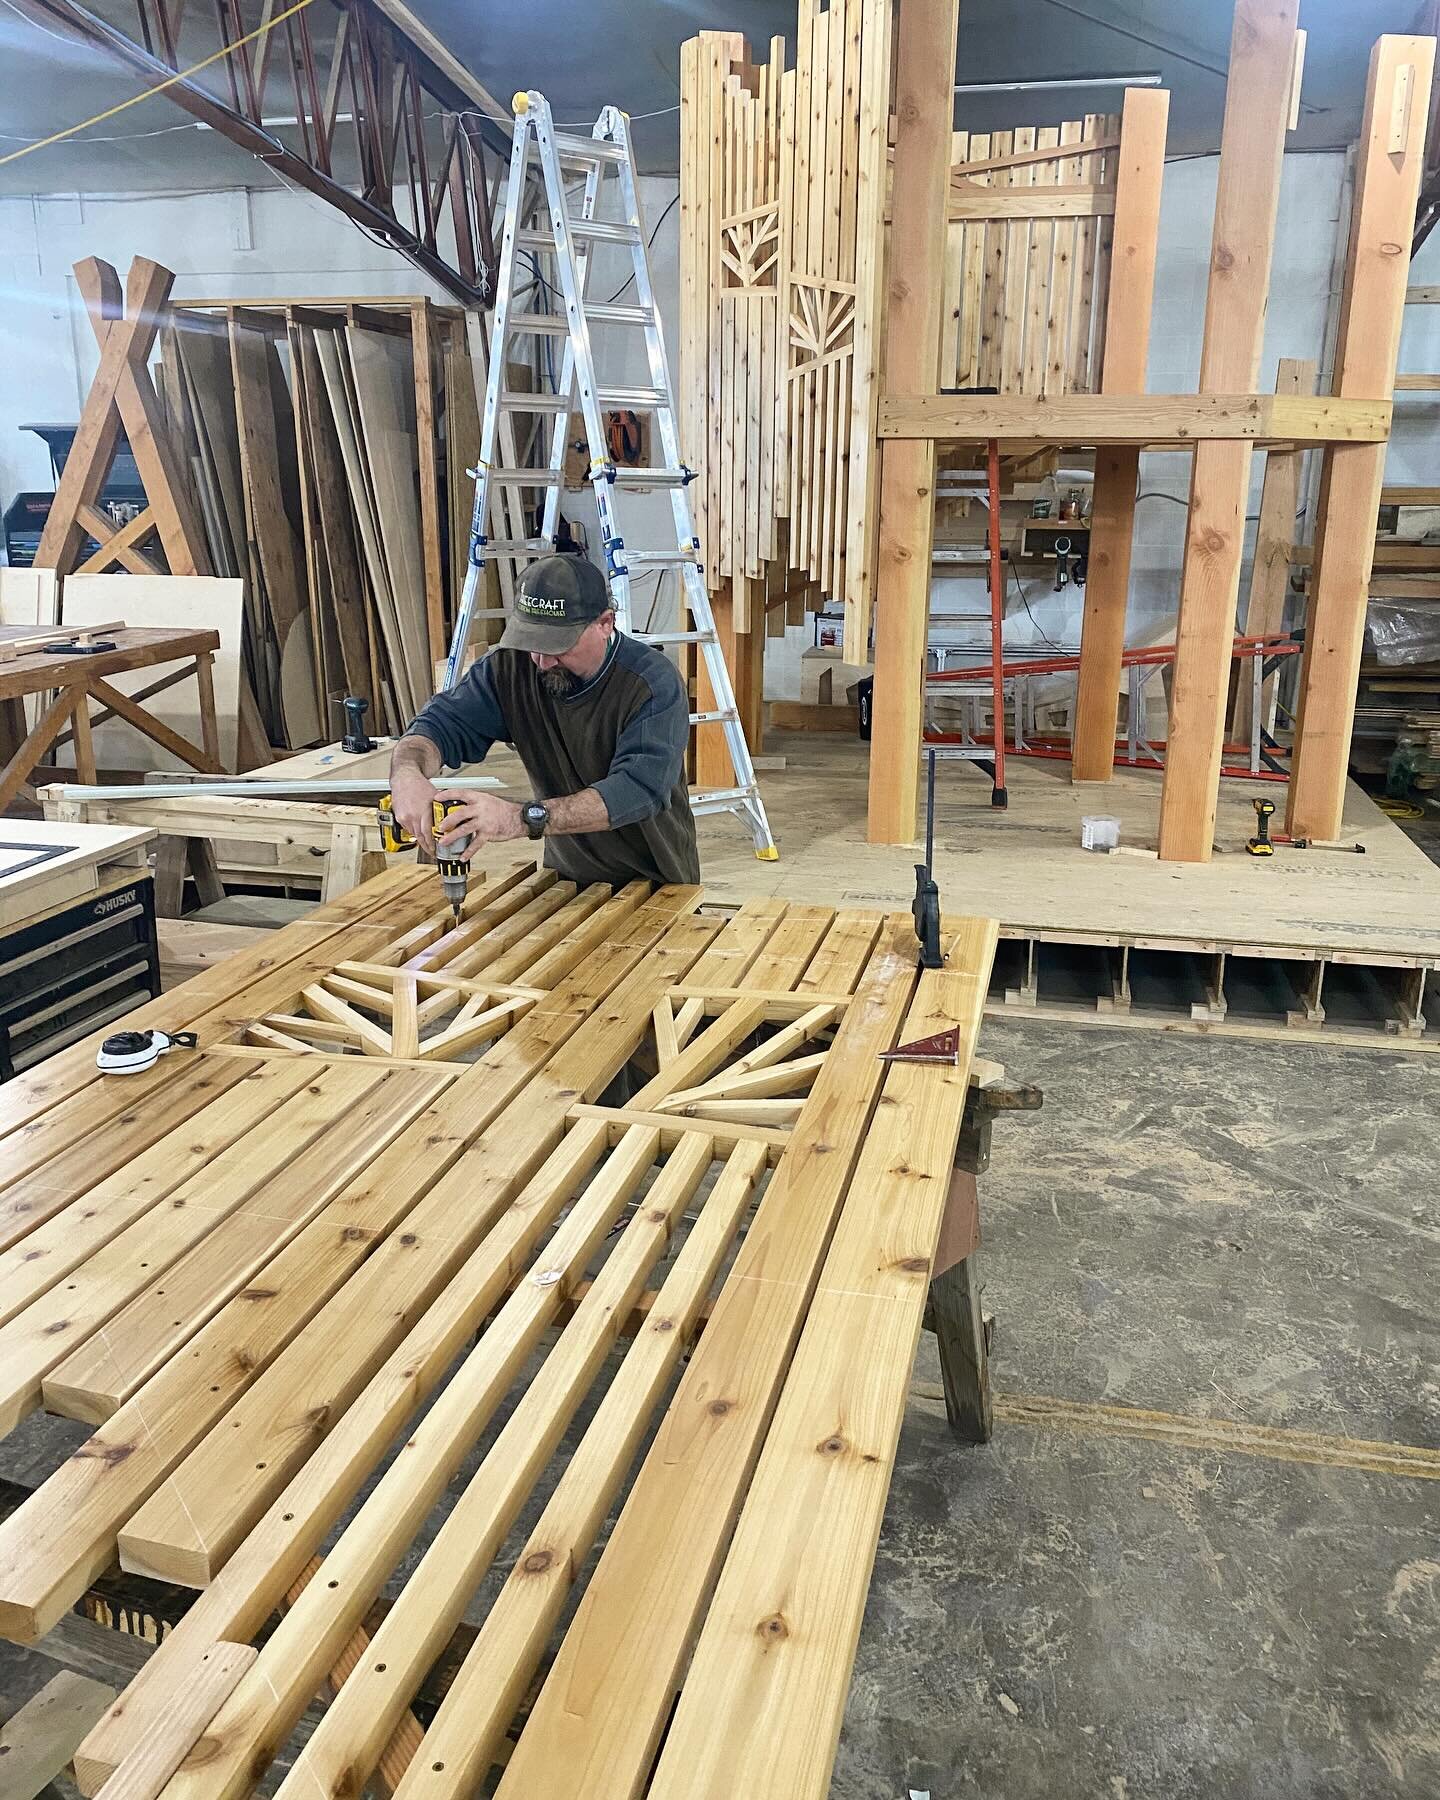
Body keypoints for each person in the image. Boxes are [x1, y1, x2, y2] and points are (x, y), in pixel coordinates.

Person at [388, 554, 699, 888]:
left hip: (656, 885)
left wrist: (519, 819)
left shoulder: (651, 683)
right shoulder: (511, 669)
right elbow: (439, 725)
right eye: (531, 642)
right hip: (565, 882)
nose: (542, 660)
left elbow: (637, 790)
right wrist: (407, 775)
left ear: (605, 623)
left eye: (557, 645)